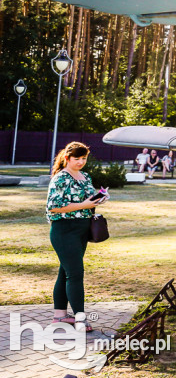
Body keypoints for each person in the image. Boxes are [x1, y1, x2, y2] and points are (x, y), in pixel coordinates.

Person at [46, 142, 107, 332]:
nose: (81, 162)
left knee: (65, 272)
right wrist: (85, 205)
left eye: (84, 158)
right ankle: (80, 319)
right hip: (64, 230)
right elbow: (53, 207)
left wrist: (100, 198)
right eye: (77, 158)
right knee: (75, 274)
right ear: (67, 158)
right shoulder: (60, 178)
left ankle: (60, 317)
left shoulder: (85, 176)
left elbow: (87, 200)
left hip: (82, 230)